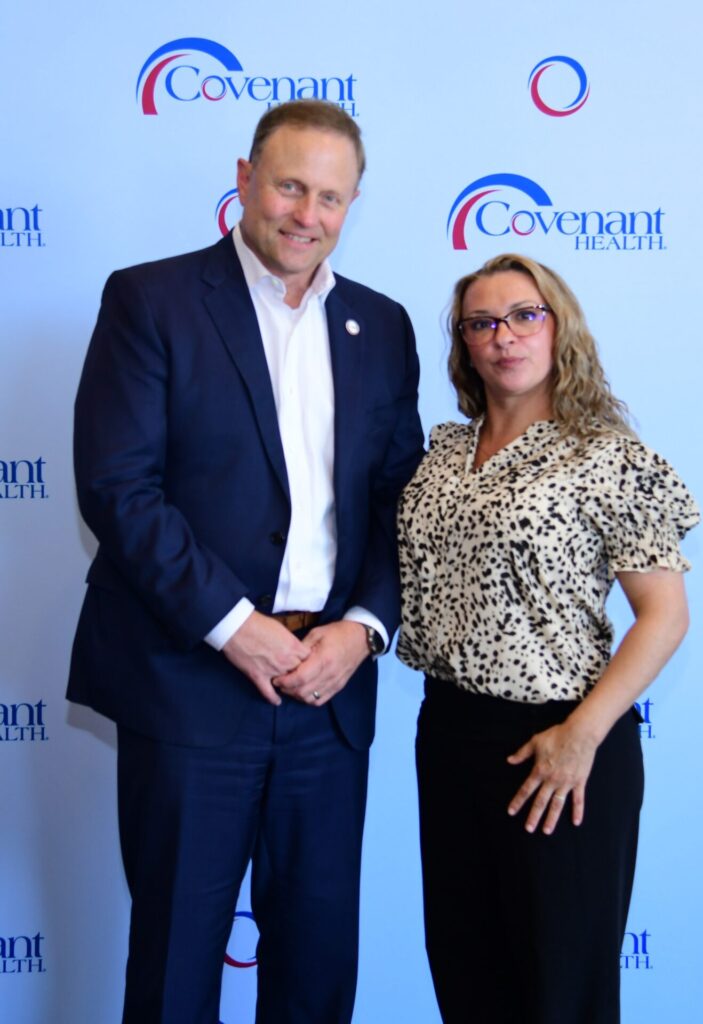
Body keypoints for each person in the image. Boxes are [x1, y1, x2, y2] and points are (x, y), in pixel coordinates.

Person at [68, 99, 423, 1024]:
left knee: (314, 970)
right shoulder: (152, 300)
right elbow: (118, 488)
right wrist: (236, 627)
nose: (308, 213)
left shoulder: (381, 327)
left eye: (332, 197)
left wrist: (364, 628)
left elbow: (401, 499)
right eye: (291, 186)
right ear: (244, 182)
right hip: (191, 684)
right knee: (178, 970)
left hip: (330, 695)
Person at [396, 253, 699, 1024]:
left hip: (563, 745)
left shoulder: (607, 455)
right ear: (463, 344)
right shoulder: (437, 457)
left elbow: (664, 616)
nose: (505, 336)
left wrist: (579, 736)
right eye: (482, 322)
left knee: (559, 992)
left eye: (525, 315)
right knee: (466, 976)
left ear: (558, 326)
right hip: (451, 736)